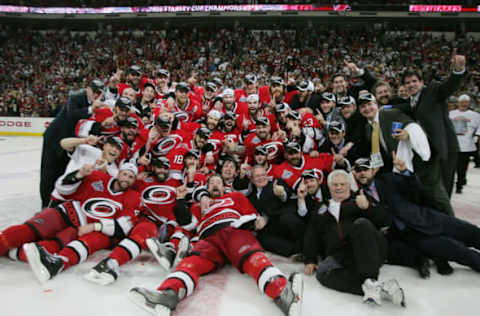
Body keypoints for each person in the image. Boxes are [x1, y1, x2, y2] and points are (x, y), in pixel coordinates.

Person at [127, 174, 303, 316]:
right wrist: (181, 200)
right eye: (212, 183)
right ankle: (168, 294)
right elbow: (187, 222)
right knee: (190, 263)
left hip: (232, 230)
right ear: (207, 187)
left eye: (218, 182)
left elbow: (253, 216)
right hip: (207, 239)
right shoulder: (199, 206)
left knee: (252, 258)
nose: (215, 185)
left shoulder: (235, 196)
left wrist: (254, 222)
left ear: (224, 186)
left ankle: (282, 293)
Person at [0, 163, 141, 280]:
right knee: (29, 230)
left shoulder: (132, 197)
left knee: (50, 248)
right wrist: (79, 174)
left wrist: (95, 226)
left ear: (134, 181)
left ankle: (11, 252)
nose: (126, 179)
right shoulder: (98, 177)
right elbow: (62, 189)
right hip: (66, 212)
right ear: (118, 173)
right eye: (124, 174)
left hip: (81, 228)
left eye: (131, 177)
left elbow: (124, 226)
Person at [354, 155, 480, 274]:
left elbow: (414, 189)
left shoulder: (388, 179)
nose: (362, 173)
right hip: (412, 236)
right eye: (358, 170)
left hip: (426, 218)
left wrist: (405, 172)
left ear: (373, 171)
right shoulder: (358, 198)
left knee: (470, 232)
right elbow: (382, 220)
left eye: (365, 169)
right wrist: (367, 207)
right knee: (457, 250)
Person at [303, 169, 404, 307]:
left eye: (343, 184)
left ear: (349, 185)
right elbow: (311, 234)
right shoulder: (321, 208)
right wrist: (310, 259)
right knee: (323, 272)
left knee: (361, 224)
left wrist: (368, 207)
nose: (339, 187)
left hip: (367, 249)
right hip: (341, 254)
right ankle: (375, 287)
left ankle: (371, 279)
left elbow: (385, 220)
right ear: (328, 186)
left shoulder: (360, 199)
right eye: (335, 184)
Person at [395, 50, 466, 198]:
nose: (411, 85)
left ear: (422, 82)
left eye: (414, 81)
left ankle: (446, 219)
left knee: (443, 192)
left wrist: (457, 71)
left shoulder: (432, 90)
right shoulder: (411, 102)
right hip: (428, 152)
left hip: (444, 148)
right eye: (407, 83)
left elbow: (449, 87)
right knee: (431, 193)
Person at [40, 79, 105, 207]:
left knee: (63, 172)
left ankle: (58, 202)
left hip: (71, 144)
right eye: (94, 91)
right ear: (88, 89)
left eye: (99, 92)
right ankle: (45, 204)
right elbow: (72, 115)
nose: (96, 94)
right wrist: (92, 108)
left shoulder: (98, 102)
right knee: (49, 173)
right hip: (54, 140)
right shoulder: (76, 98)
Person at [449, 94, 480, 193]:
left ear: (469, 103)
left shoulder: (475, 115)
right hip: (452, 146)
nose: (464, 104)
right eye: (462, 102)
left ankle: (459, 185)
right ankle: (450, 184)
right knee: (450, 168)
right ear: (458, 103)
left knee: (462, 168)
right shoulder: (451, 114)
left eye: (466, 102)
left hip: (466, 146)